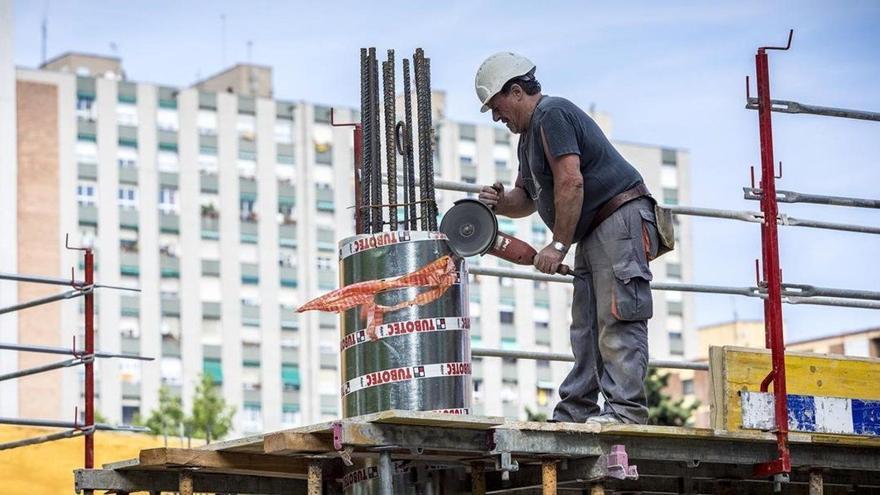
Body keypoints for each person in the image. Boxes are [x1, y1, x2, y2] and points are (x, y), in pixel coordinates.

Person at [475, 52, 660, 425]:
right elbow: (526, 199)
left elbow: (571, 181)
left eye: (497, 107)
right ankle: (577, 410)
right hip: (594, 229)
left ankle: (625, 413)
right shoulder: (528, 138)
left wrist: (558, 245)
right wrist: (500, 203)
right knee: (587, 325)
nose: (497, 117)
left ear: (515, 92)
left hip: (619, 218)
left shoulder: (551, 114)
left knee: (618, 316)